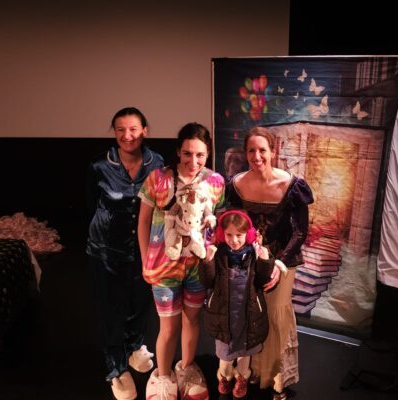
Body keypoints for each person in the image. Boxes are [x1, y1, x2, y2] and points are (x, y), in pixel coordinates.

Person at [223, 126, 314, 400]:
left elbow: (300, 232)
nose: (257, 156)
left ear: (273, 151)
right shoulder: (236, 185)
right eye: (251, 150)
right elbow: (234, 226)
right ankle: (251, 372)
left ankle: (277, 379)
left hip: (283, 260)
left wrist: (279, 264)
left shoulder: (292, 185)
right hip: (249, 261)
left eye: (262, 150)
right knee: (251, 315)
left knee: (275, 316)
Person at [137, 122, 225, 400]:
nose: (193, 161)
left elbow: (215, 223)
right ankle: (163, 376)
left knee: (192, 319)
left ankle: (187, 368)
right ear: (178, 152)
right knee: (169, 326)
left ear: (208, 154)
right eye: (187, 153)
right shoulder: (158, 178)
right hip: (164, 266)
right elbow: (143, 222)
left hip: (197, 267)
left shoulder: (216, 182)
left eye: (200, 155)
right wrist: (145, 261)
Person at [86, 107, 164, 400]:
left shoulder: (157, 162)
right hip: (106, 249)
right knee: (111, 308)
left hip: (144, 246)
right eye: (120, 129)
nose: (127, 135)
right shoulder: (99, 165)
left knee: (140, 301)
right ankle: (115, 366)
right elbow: (90, 203)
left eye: (133, 129)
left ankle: (134, 346)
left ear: (145, 130)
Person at [199, 210, 275, 399]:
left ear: (247, 234)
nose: (234, 240)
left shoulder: (254, 253)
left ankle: (242, 377)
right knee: (225, 354)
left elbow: (263, 282)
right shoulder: (219, 253)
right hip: (225, 315)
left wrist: (265, 261)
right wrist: (208, 261)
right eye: (229, 235)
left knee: (245, 354)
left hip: (247, 315)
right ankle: (224, 377)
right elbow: (207, 282)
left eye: (239, 235)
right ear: (222, 234)